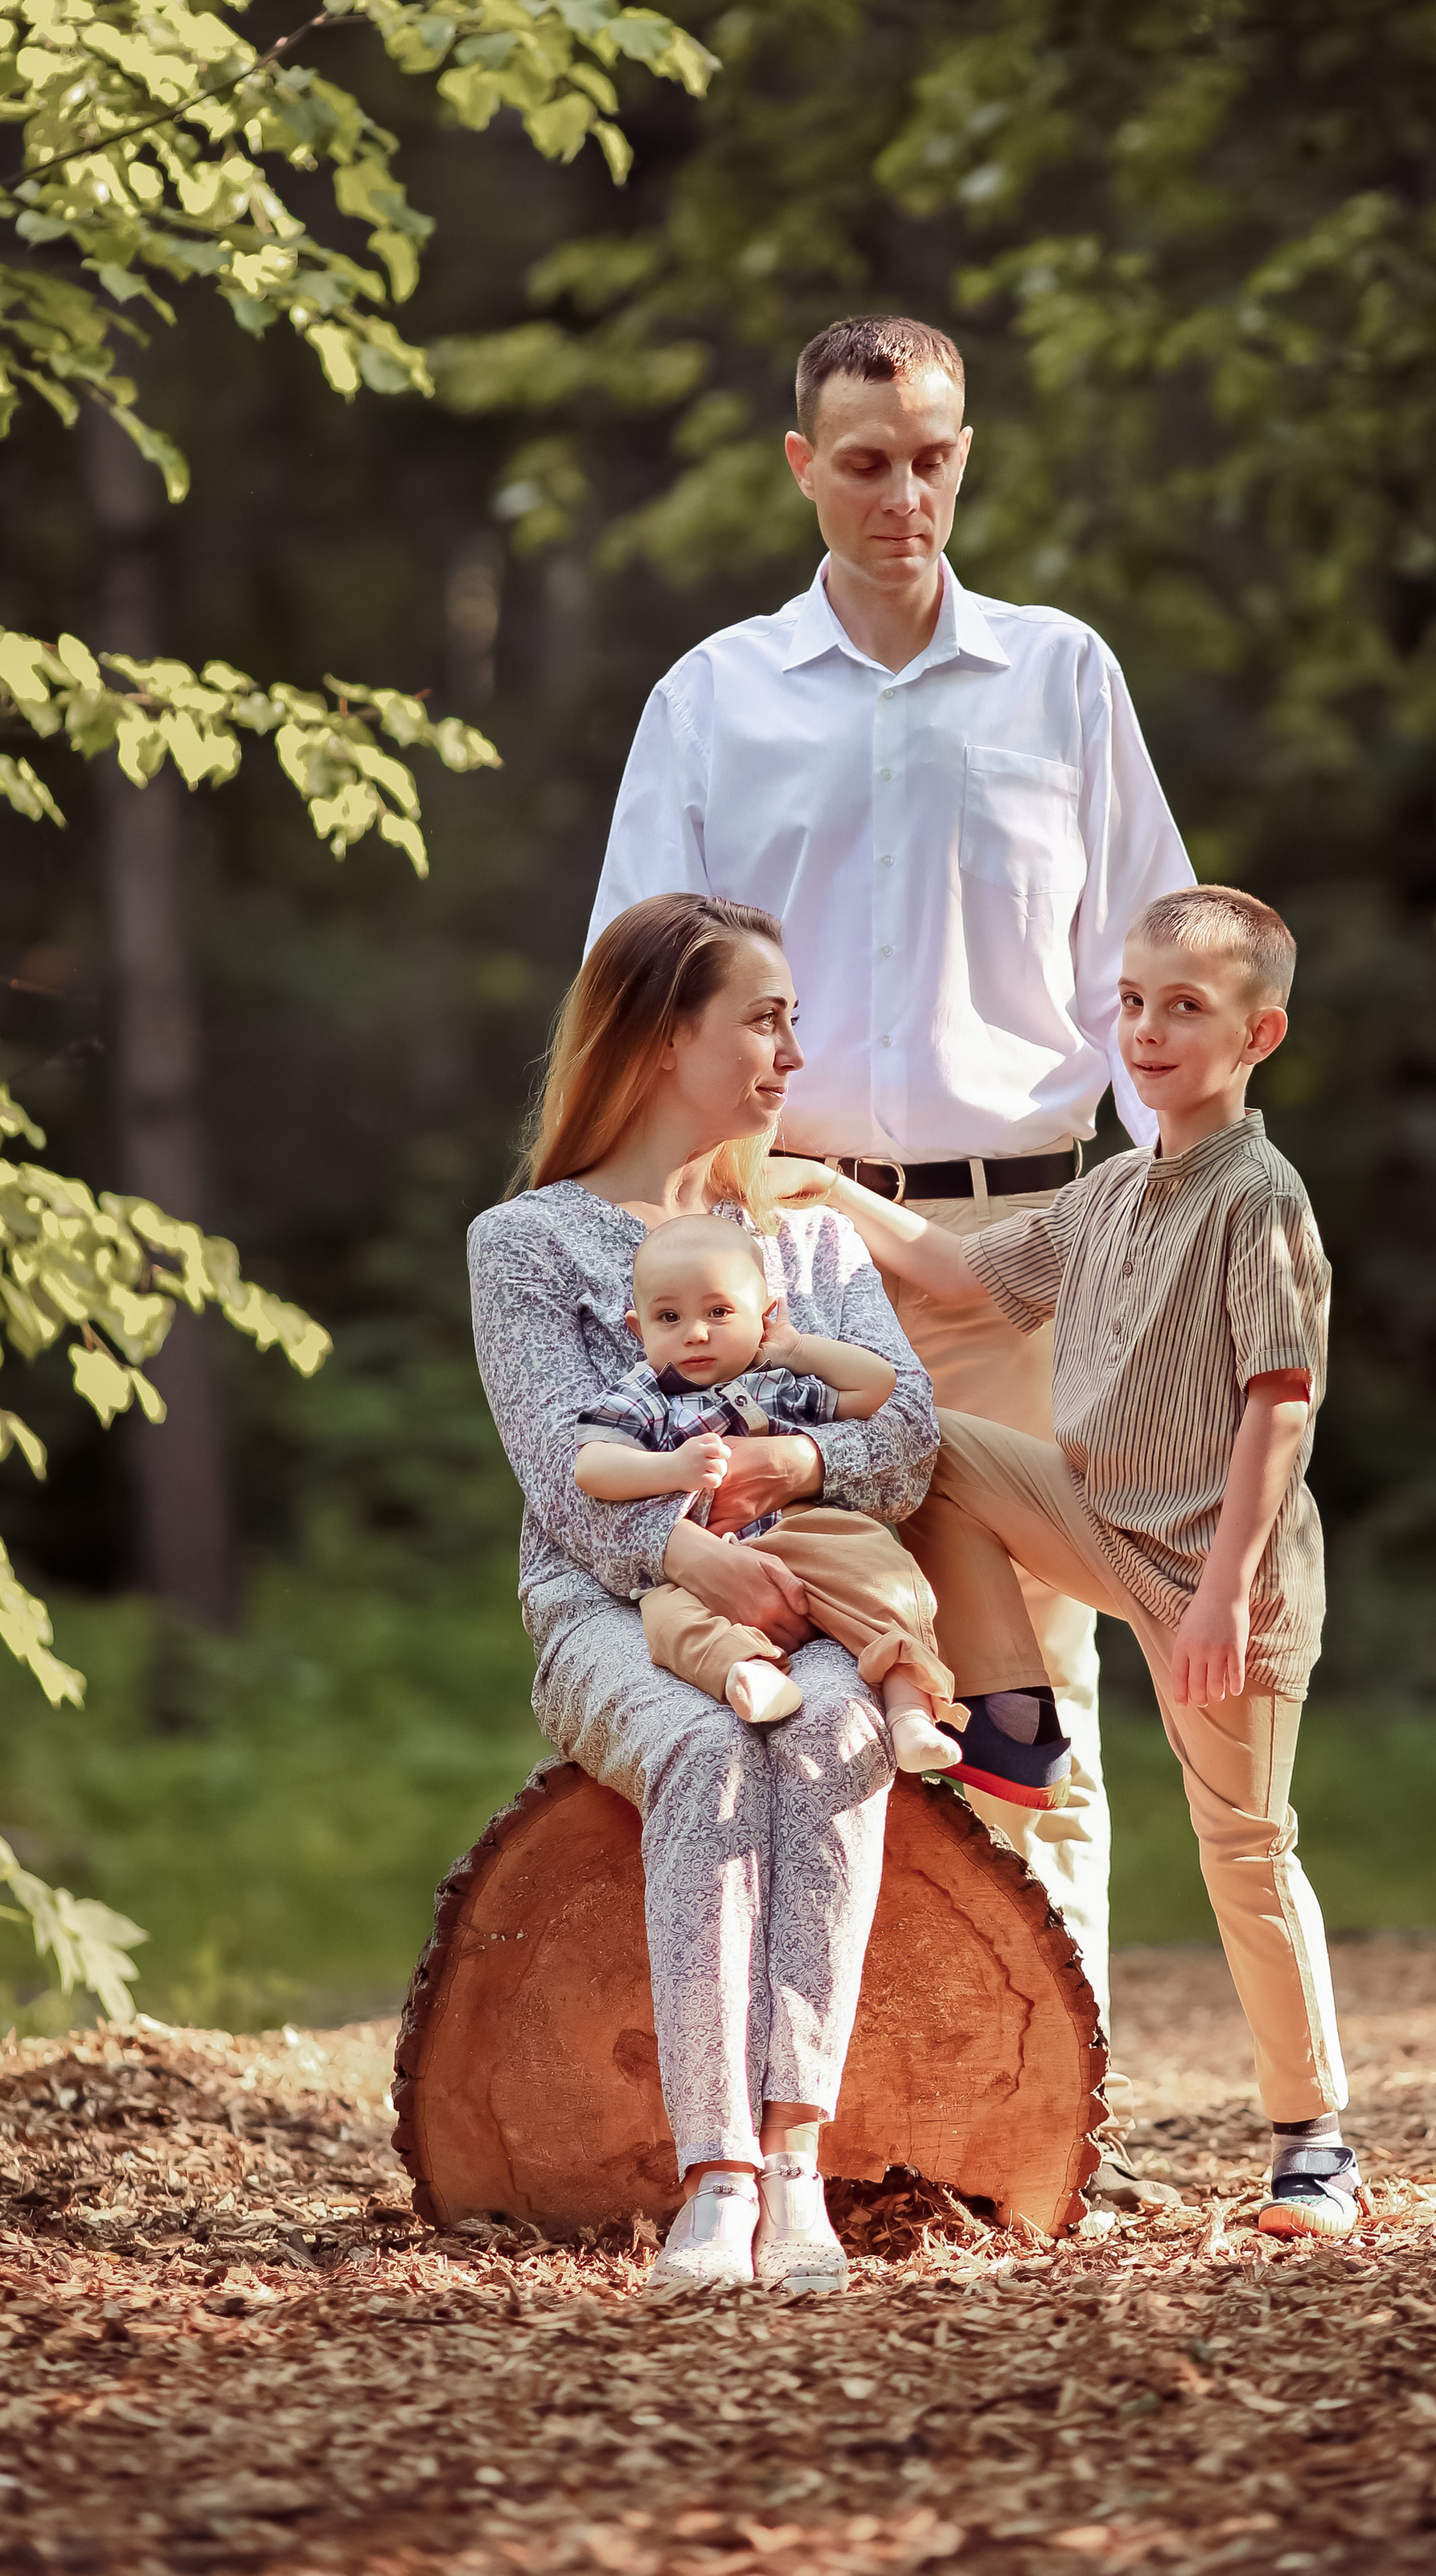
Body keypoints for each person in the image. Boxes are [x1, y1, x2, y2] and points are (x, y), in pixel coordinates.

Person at [589, 312, 1192, 2114]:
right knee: (814, 1665)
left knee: (1035, 1700)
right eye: (864, 459)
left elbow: (1149, 979)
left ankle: (1046, 2112)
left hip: (1018, 1260)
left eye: (932, 454)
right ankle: (807, 2118)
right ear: (801, 468)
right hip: (784, 1270)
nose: (903, 493)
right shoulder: (712, 697)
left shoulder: (1059, 676)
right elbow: (640, 990)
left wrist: (1174, 1233)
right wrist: (654, 1236)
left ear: (964, 451)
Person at [774, 883, 1363, 2239]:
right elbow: (969, 1276)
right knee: (936, 1442)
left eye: (1188, 1009)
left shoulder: (1256, 1194)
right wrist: (821, 1188)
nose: (1150, 1031)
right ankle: (1011, 1714)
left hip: (1229, 1574)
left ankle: (1313, 2143)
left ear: (1259, 1032)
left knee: (1247, 1850)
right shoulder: (1112, 1192)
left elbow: (1286, 1401)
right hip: (1100, 1518)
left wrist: (1219, 1596)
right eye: (1136, 1004)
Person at [466, 892, 944, 2298]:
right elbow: (562, 1473)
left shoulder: (803, 1239)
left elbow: (904, 1439)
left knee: (837, 1735)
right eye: (765, 1016)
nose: (794, 1049)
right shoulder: (527, 1244)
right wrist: (691, 1555)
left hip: (807, 1597)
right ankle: (716, 2172)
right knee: (703, 1752)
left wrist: (793, 1459)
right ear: (669, 1035)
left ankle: (796, 2160)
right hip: (611, 1615)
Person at [572, 1213, 962, 1767]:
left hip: (801, 1531)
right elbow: (592, 1468)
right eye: (669, 1317)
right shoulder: (645, 1395)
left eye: (719, 1312)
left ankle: (910, 1713)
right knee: (665, 1619)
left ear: (765, 1315)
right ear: (639, 1331)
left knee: (878, 1571)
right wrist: (674, 1470)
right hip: (702, 1553)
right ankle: (747, 1671)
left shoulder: (776, 1382)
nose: (696, 1333)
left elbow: (875, 1388)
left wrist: (798, 1349)